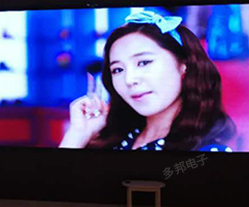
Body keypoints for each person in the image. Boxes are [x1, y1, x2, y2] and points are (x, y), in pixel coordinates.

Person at [60, 10, 236, 152]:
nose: (129, 80)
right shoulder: (115, 139)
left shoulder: (206, 151)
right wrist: (78, 134)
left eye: (143, 62)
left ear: (183, 65)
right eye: (118, 70)